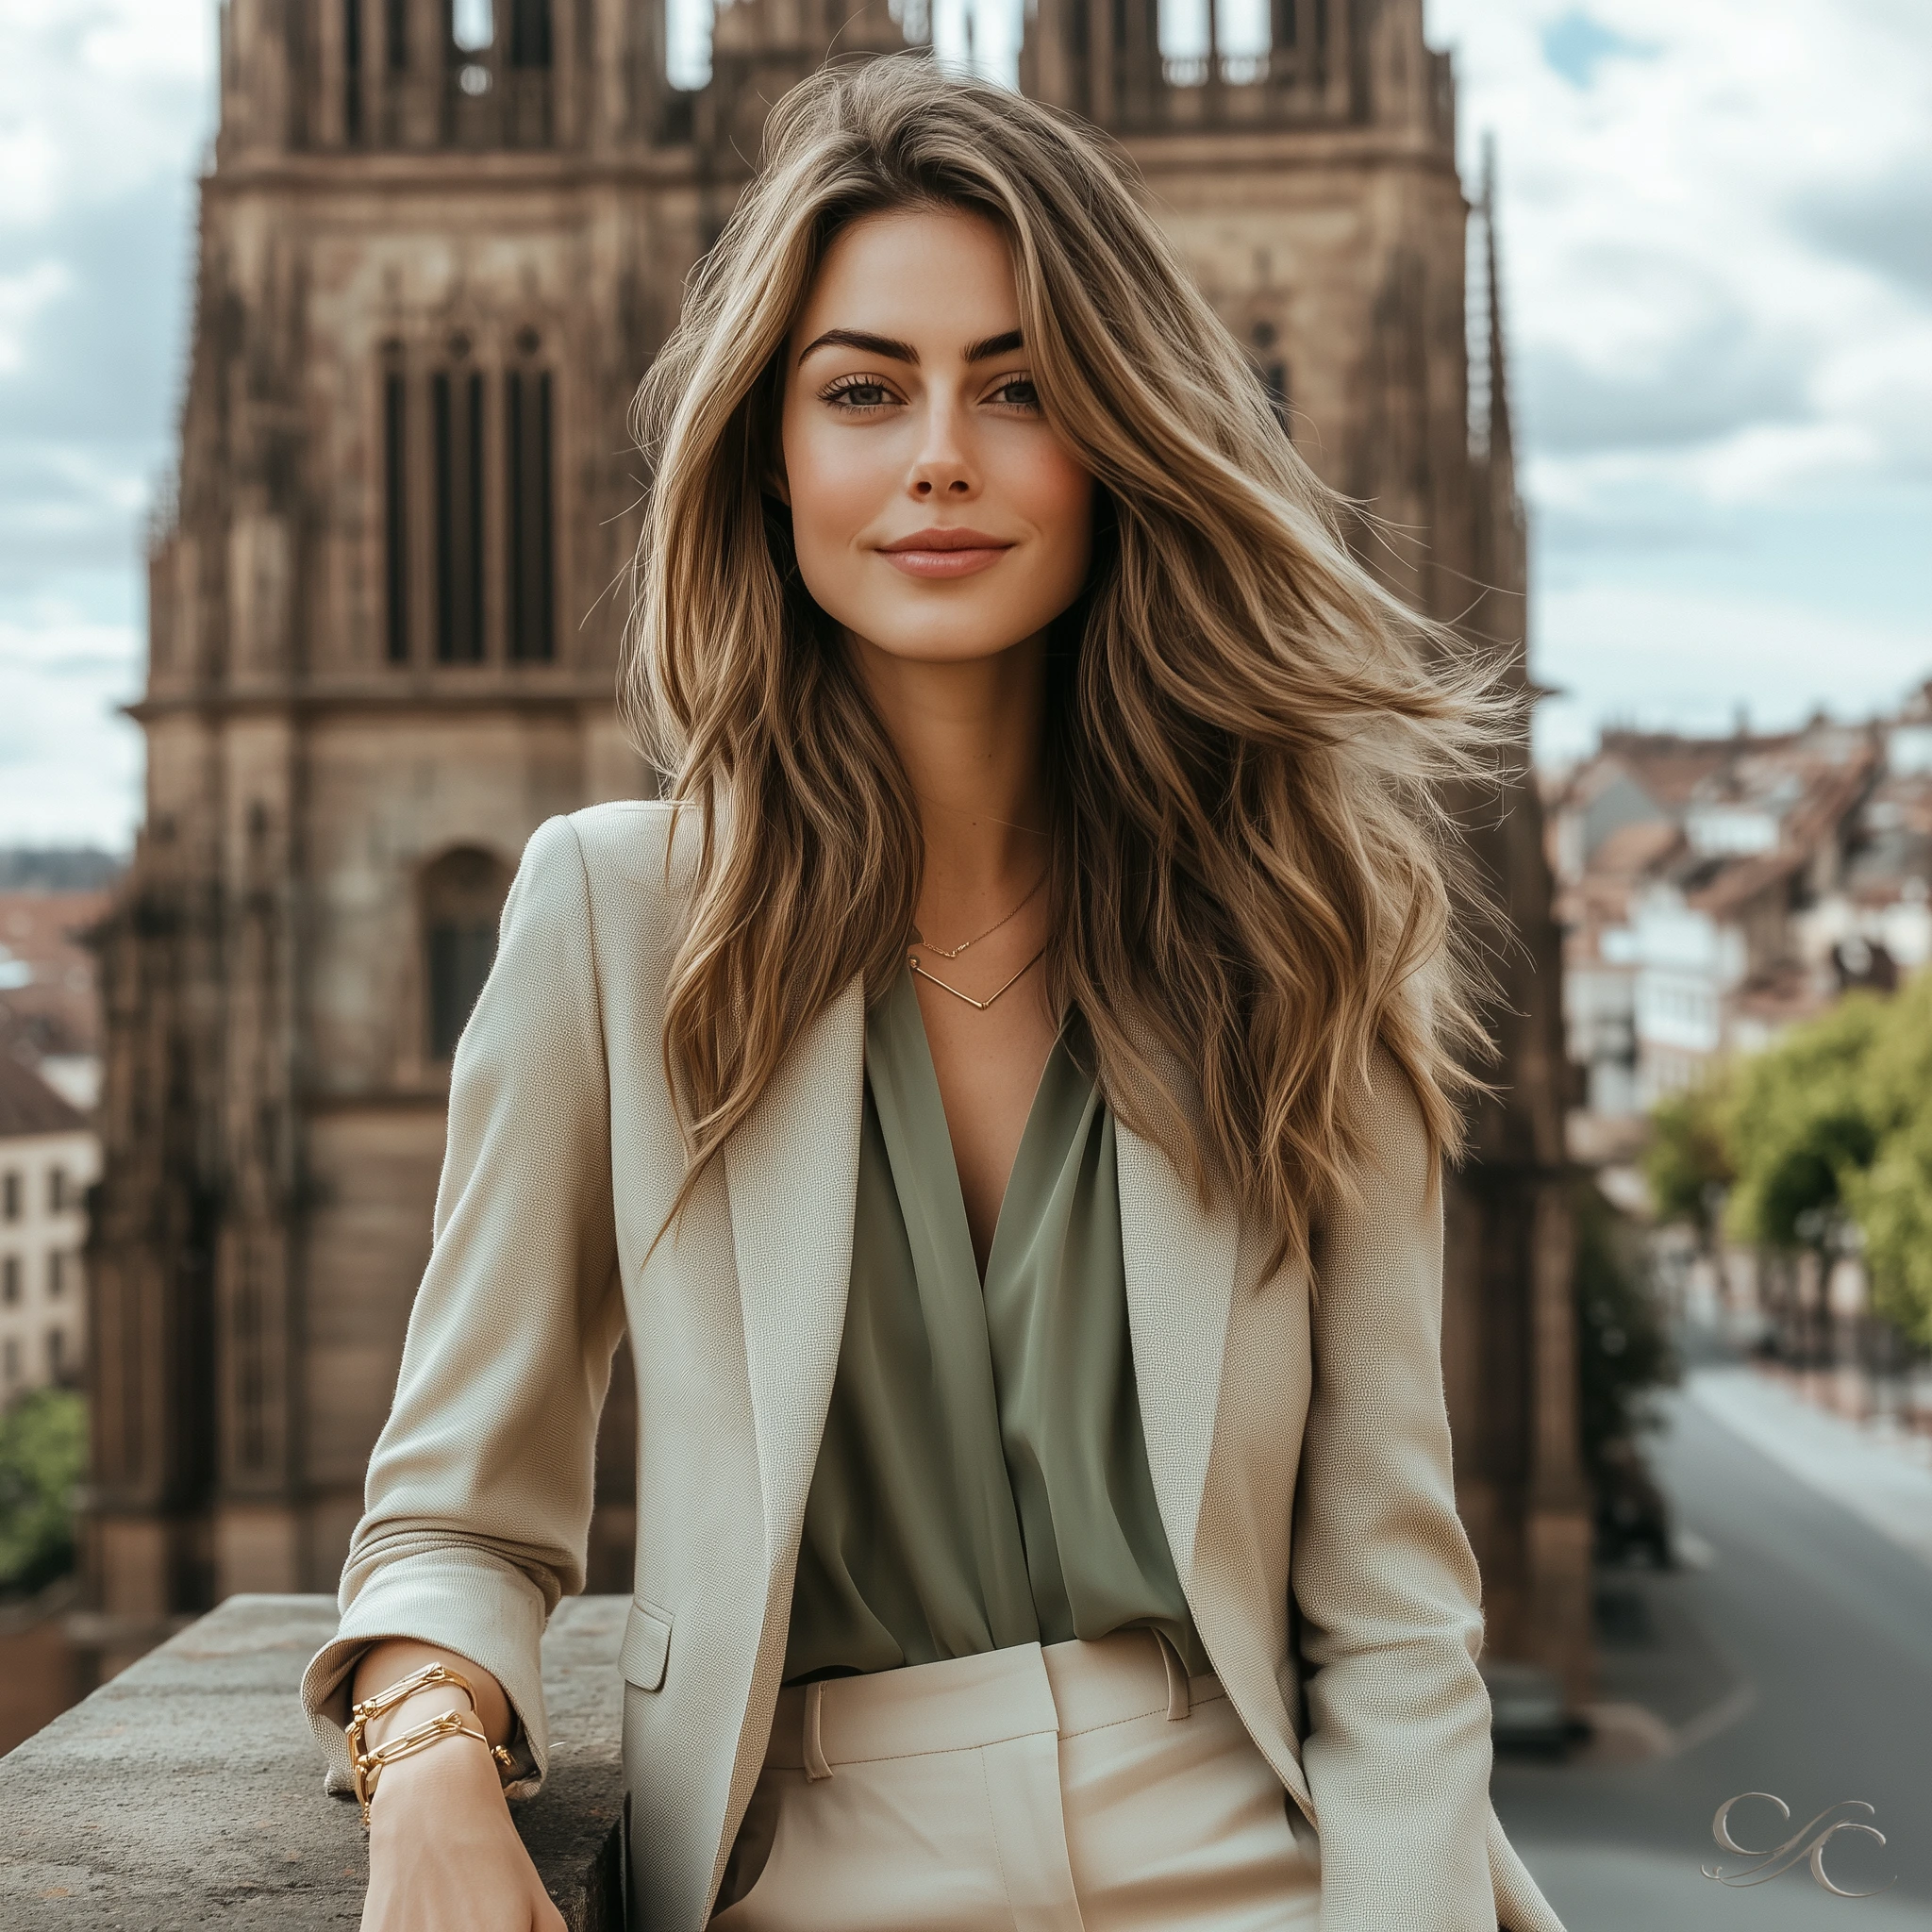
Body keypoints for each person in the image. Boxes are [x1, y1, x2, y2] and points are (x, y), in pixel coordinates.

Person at [301, 53, 1568, 1932]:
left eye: (1024, 385)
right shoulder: (609, 910)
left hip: (1256, 1865)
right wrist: (422, 1766)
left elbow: (1390, 1603)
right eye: (862, 391)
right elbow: (453, 1514)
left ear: (1123, 441)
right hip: (811, 1867)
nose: (939, 455)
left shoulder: (1304, 912)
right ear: (770, 454)